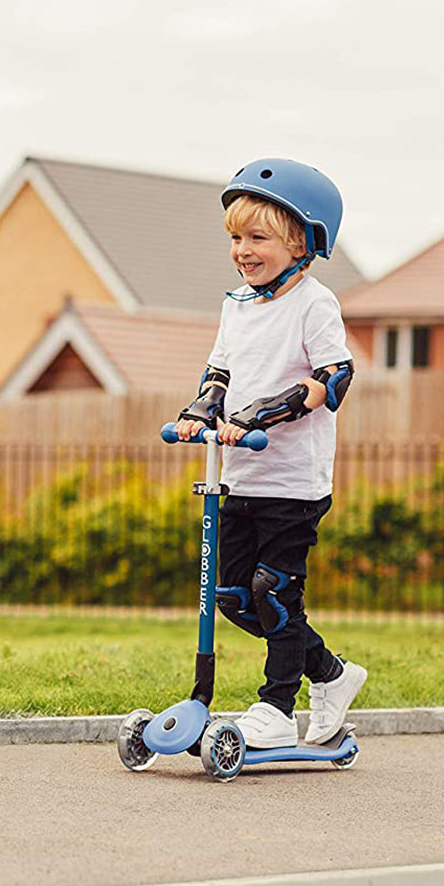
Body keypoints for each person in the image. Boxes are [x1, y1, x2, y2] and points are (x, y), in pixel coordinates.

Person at [175, 158, 366, 750]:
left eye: (258, 237)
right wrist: (201, 412)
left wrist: (263, 414)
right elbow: (221, 370)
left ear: (303, 242)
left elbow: (334, 377)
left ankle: (277, 706)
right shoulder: (237, 303)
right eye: (236, 237)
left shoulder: (315, 303)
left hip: (294, 483)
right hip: (242, 474)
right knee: (233, 594)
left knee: (274, 590)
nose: (243, 249)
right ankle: (332, 674)